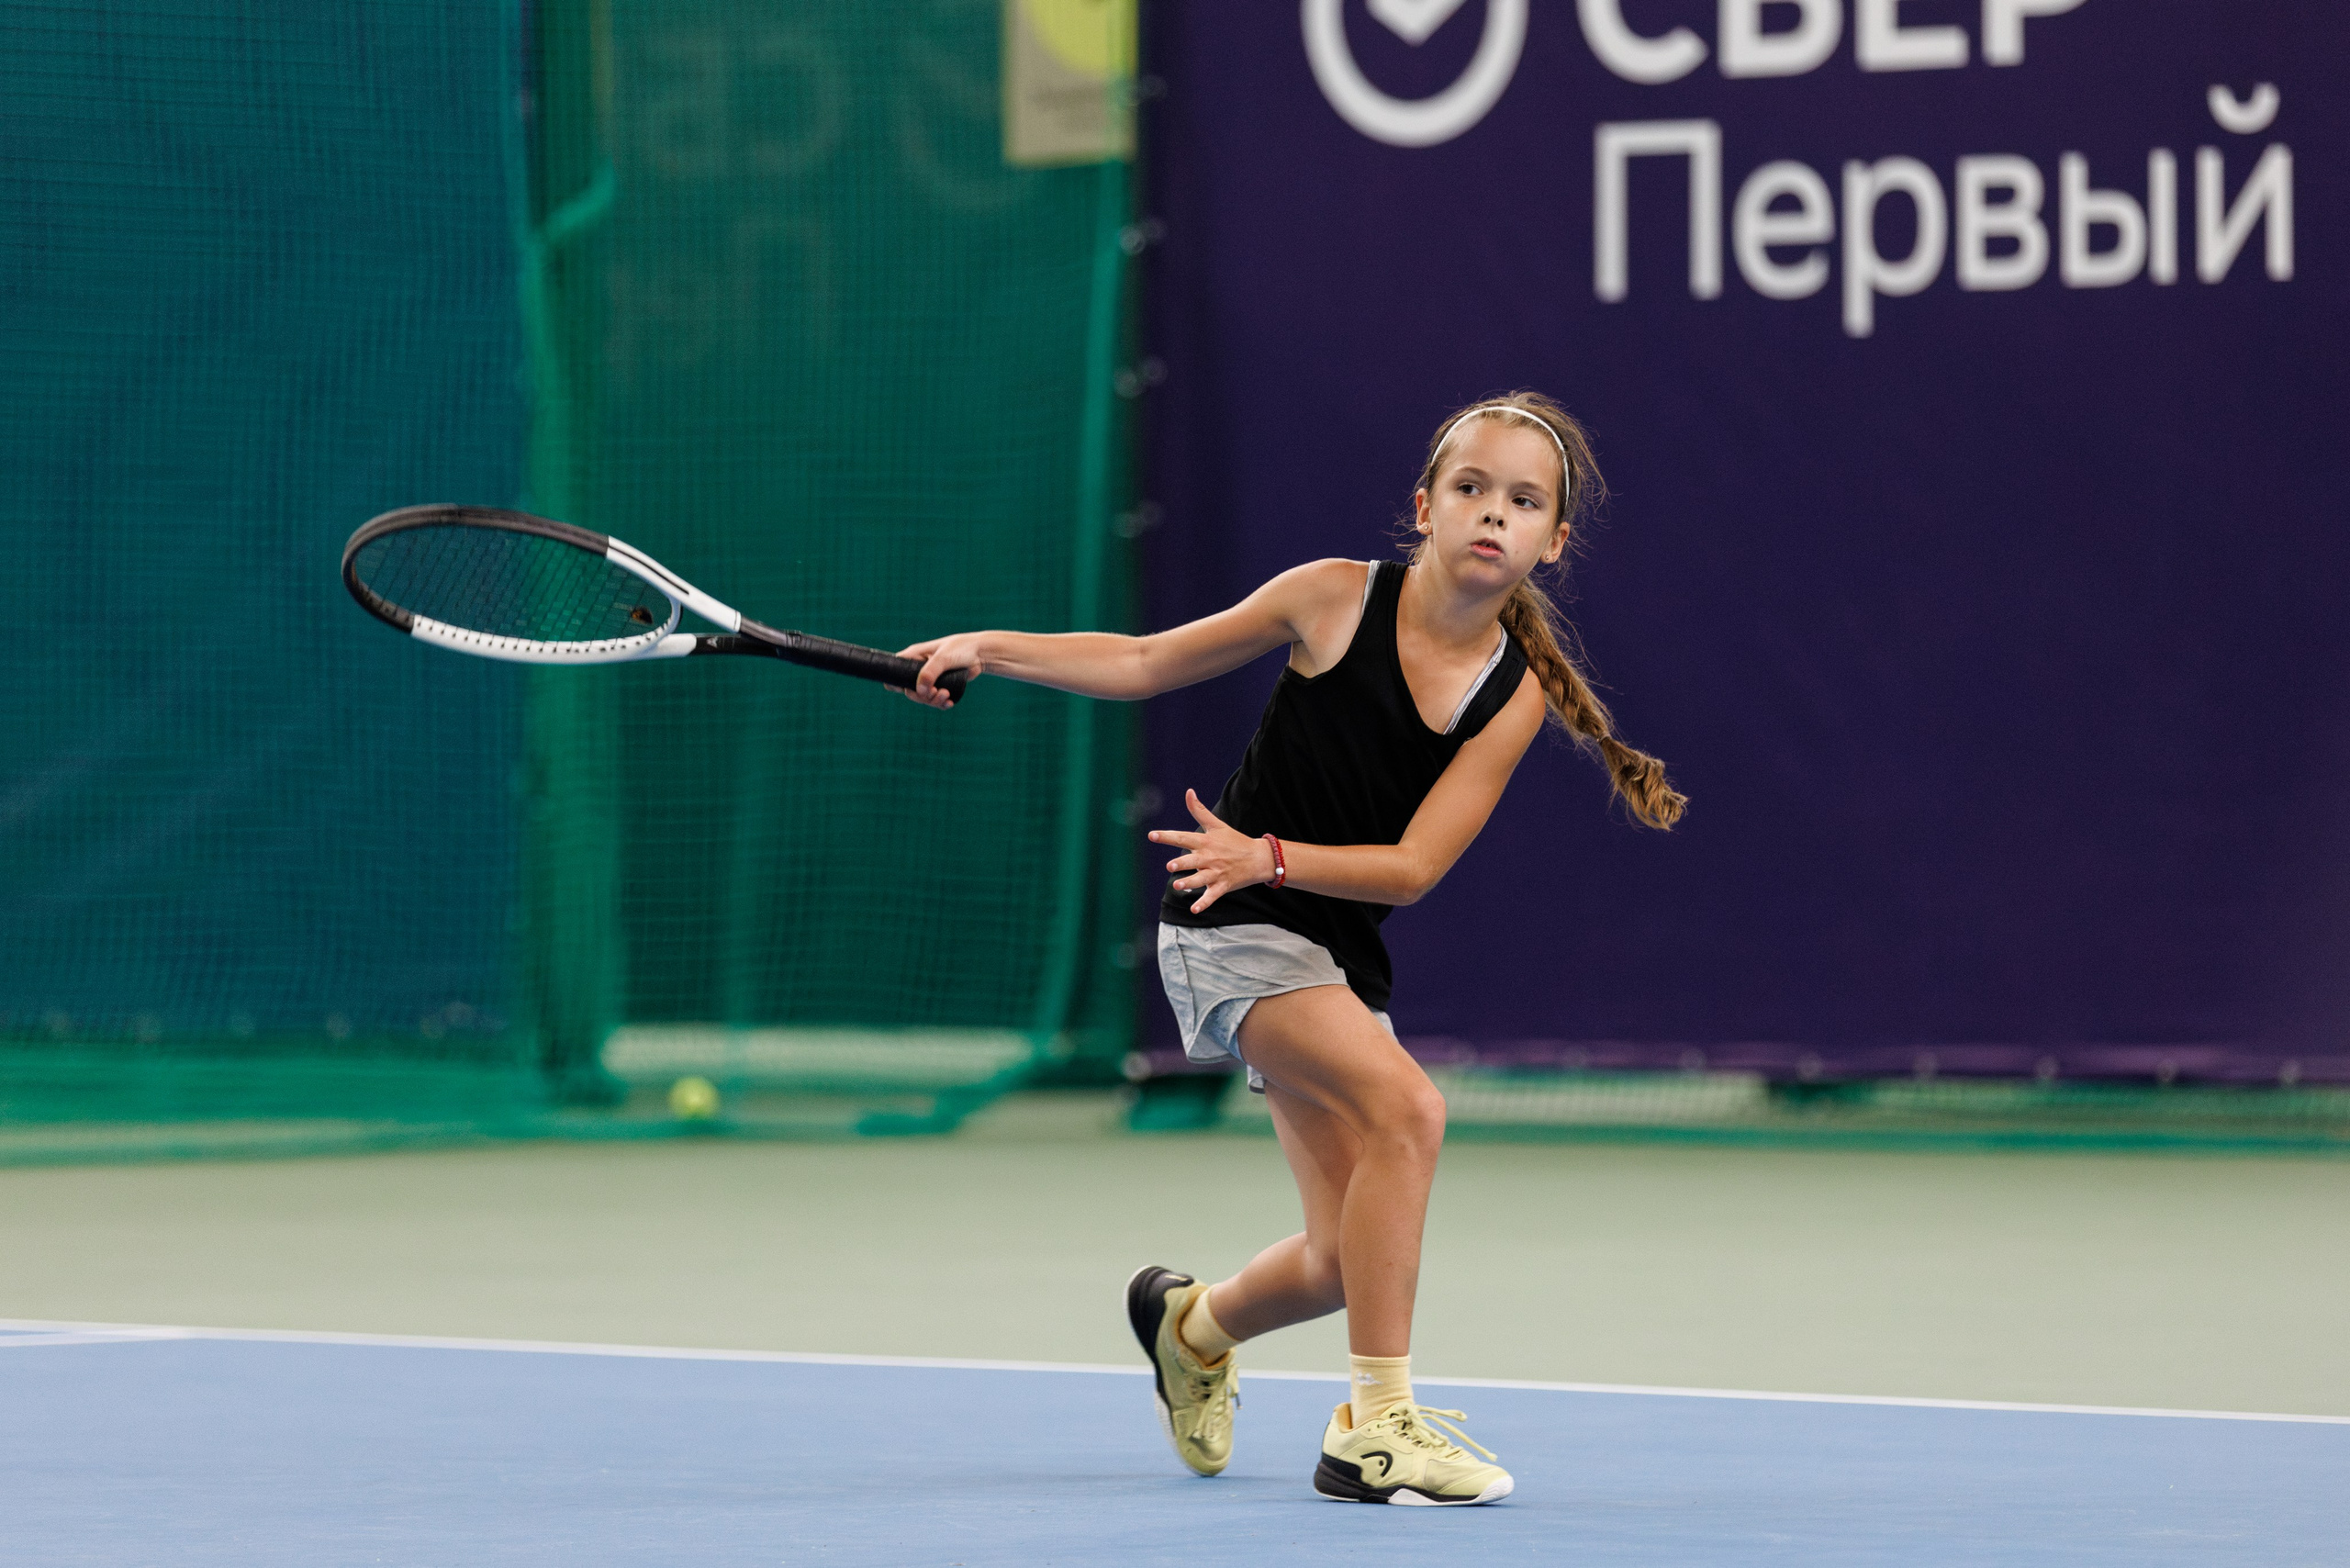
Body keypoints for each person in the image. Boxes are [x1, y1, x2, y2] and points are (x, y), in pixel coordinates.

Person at [900, 392, 1684, 1506]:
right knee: (1410, 1111)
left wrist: (1273, 854)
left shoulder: (1509, 697)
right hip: (1228, 927)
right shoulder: (1330, 597)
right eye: (1469, 489)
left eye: (1522, 501)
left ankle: (1192, 1325)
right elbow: (1140, 660)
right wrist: (990, 646)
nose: (1490, 515)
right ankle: (1379, 1428)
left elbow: (1411, 867)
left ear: (1552, 542)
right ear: (1424, 507)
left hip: (1319, 937)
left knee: (1334, 1260)